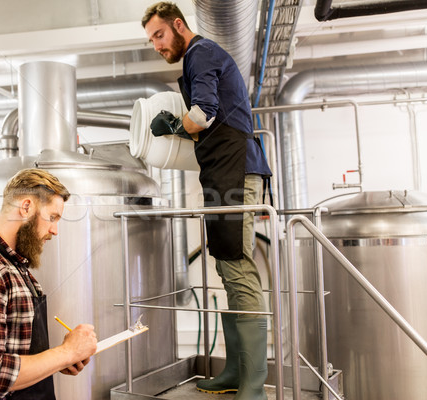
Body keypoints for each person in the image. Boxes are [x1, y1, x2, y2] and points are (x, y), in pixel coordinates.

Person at [142, 3, 272, 400]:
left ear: (179, 25)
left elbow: (205, 112)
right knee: (227, 268)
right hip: (220, 173)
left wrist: (177, 126)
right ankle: (234, 370)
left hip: (238, 171)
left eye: (159, 35)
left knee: (239, 270)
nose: (156, 46)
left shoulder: (203, 54)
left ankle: (254, 386)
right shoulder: (195, 60)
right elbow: (207, 119)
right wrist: (183, 130)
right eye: (151, 41)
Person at [0, 168, 97, 399]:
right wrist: (66, 352)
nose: (55, 230)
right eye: (52, 217)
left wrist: (59, 361)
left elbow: (16, 355)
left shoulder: (15, 267)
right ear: (26, 207)